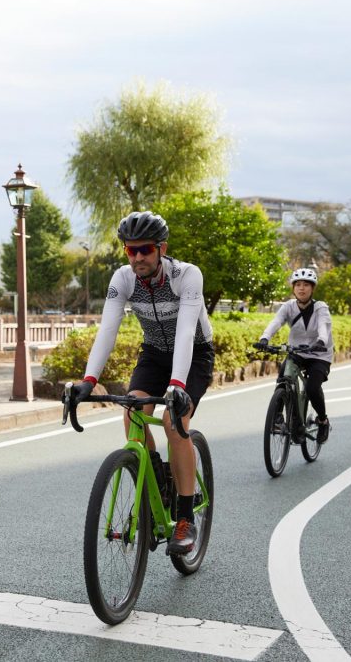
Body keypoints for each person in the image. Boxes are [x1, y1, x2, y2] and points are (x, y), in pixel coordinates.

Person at [67, 211, 214, 555]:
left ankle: (184, 516)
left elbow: (185, 334)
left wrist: (177, 384)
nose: (137, 258)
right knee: (132, 411)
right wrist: (90, 380)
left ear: (162, 248)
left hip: (193, 353)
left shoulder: (186, 276)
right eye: (129, 251)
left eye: (144, 250)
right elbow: (108, 329)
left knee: (172, 421)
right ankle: (159, 482)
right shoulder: (123, 278)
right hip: (153, 354)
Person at [253, 268, 334, 443]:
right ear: (293, 288)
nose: (301, 288)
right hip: (297, 352)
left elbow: (323, 326)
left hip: (319, 354)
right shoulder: (288, 306)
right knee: (284, 377)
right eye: (298, 285)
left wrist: (321, 341)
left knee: (312, 388)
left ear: (312, 288)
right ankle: (277, 417)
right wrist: (264, 338)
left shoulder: (321, 307)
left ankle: (322, 420)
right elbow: (276, 322)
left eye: (306, 285)